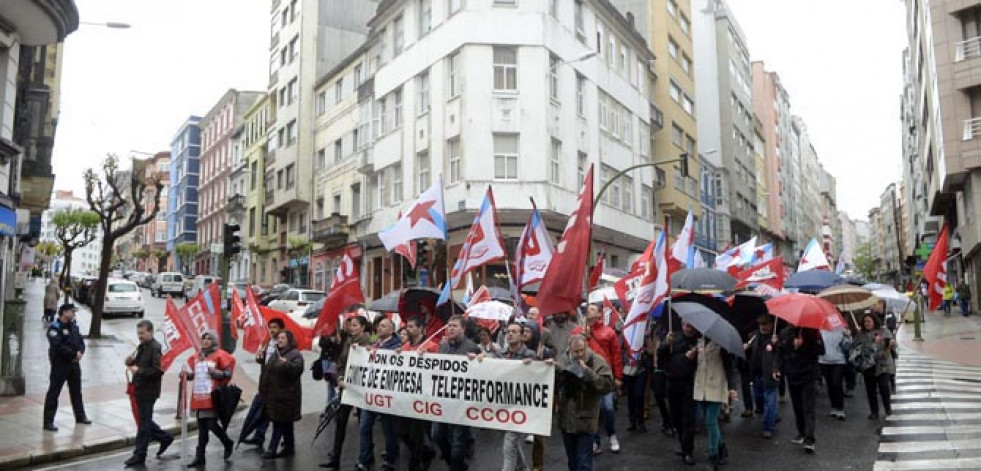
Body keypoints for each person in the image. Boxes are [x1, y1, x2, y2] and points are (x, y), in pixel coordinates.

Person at [320, 315, 373, 469]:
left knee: (365, 425)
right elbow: (341, 362)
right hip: (346, 389)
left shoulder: (368, 343)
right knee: (340, 422)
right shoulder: (349, 341)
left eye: (355, 325)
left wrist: (368, 351)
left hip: (361, 391)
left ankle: (367, 456)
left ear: (363, 328)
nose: (352, 328)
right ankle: (335, 458)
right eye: (351, 325)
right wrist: (339, 377)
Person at [556, 335, 615, 471]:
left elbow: (607, 385)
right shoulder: (563, 360)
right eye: (576, 352)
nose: (579, 355)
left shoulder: (596, 361)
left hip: (585, 421)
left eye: (582, 351)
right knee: (572, 462)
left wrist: (588, 372)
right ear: (569, 350)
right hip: (566, 421)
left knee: (584, 463)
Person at [433, 315, 483, 471]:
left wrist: (480, 359)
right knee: (437, 436)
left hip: (461, 404)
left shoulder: (472, 347)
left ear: (463, 328)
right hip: (443, 401)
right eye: (448, 326)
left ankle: (456, 465)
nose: (450, 329)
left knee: (457, 444)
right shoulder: (443, 347)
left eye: (454, 326)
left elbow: (484, 370)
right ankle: (458, 466)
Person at [572, 303, 623, 454]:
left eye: (593, 308)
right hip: (586, 377)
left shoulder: (609, 332)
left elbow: (615, 355)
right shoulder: (577, 331)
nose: (589, 310)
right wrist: (582, 336)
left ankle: (611, 434)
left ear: (600, 314)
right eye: (587, 309)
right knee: (592, 411)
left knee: (608, 408)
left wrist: (618, 377)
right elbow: (573, 351)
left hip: (603, 375)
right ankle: (595, 441)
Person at [123, 320, 173, 467]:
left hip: (148, 391)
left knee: (143, 425)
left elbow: (158, 371)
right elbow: (138, 364)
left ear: (150, 332)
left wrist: (139, 371)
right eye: (138, 333)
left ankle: (139, 455)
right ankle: (165, 438)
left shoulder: (155, 348)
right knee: (144, 420)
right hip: (139, 389)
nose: (140, 336)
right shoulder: (142, 346)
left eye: (143, 333)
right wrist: (130, 362)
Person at [183, 330, 236, 468]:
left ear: (214, 340)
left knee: (211, 425)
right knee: (202, 429)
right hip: (199, 396)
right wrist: (186, 375)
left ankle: (226, 442)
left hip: (212, 396)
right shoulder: (197, 357)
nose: (205, 341)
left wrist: (215, 372)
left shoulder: (220, 355)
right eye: (204, 338)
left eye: (209, 338)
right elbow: (193, 374)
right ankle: (200, 457)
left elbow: (227, 373)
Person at [357, 317, 402, 471]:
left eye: (383, 326)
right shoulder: (375, 342)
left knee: (388, 430)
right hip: (370, 393)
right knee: (364, 427)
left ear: (392, 330)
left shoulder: (397, 345)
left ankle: (390, 459)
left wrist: (377, 352)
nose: (379, 328)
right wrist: (361, 351)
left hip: (386, 395)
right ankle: (365, 458)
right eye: (378, 326)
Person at [775, 324, 824, 454]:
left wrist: (803, 346)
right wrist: (777, 368)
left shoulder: (813, 331)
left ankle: (810, 438)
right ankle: (801, 432)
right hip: (792, 374)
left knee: (809, 407)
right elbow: (780, 353)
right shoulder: (784, 332)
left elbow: (820, 350)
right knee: (797, 406)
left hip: (808, 375)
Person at [397, 316, 438, 471]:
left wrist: (428, 357)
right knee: (402, 432)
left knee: (417, 433)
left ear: (421, 328)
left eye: (412, 326)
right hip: (406, 396)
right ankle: (426, 452)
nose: (409, 329)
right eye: (408, 326)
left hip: (423, 397)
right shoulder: (406, 346)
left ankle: (415, 464)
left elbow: (440, 368)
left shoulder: (431, 346)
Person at [692, 334, 738, 471]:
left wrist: (732, 387)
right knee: (710, 422)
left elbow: (730, 367)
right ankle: (722, 447)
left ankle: (713, 456)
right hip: (701, 387)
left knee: (710, 421)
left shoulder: (721, 344)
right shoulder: (698, 342)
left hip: (716, 386)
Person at [43, 303, 90, 431]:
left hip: (74, 364)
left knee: (76, 391)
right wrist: (73, 354)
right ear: (64, 312)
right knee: (54, 392)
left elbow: (80, 341)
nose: (74, 314)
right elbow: (57, 346)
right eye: (72, 311)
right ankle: (48, 421)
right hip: (60, 364)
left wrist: (80, 352)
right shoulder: (54, 328)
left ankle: (80, 416)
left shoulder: (73, 326)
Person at [240, 318, 285, 449]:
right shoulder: (267, 342)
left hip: (276, 385)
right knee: (263, 411)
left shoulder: (282, 344)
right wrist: (259, 357)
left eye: (275, 327)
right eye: (270, 327)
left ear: (281, 329)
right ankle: (259, 436)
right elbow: (264, 361)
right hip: (265, 382)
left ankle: (286, 439)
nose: (272, 330)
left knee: (278, 414)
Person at [260, 330, 304, 459]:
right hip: (274, 395)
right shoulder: (275, 354)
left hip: (286, 397)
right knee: (286, 424)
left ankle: (271, 450)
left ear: (289, 340)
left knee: (279, 422)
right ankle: (289, 448)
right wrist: (260, 360)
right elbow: (268, 370)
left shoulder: (295, 354)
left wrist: (287, 364)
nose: (279, 340)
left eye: (283, 338)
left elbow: (297, 370)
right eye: (278, 338)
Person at [660, 321, 699, 465]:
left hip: (689, 383)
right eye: (687, 326)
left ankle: (688, 450)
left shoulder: (698, 339)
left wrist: (694, 357)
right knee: (675, 417)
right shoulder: (673, 337)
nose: (690, 329)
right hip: (672, 382)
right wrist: (665, 344)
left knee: (688, 418)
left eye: (692, 326)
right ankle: (683, 445)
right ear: (682, 324)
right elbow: (661, 357)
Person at [500, 321, 537, 471]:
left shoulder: (530, 355)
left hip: (520, 407)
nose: (510, 334)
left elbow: (540, 380)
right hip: (503, 405)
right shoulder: (501, 354)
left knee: (509, 444)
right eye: (508, 331)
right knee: (512, 442)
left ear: (522, 336)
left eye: (514, 331)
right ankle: (522, 467)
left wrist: (533, 366)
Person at [522, 320, 553, 471]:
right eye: (524, 331)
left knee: (539, 437)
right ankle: (519, 464)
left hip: (538, 398)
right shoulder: (518, 350)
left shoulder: (544, 351)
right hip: (522, 396)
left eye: (528, 331)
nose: (524, 334)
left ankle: (537, 466)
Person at [854, 313, 895, 420]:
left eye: (869, 321)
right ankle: (874, 411)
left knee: (883, 386)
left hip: (882, 364)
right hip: (868, 365)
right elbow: (855, 347)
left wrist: (891, 343)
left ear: (874, 321)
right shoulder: (861, 334)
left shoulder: (883, 331)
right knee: (870, 389)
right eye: (865, 322)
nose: (866, 324)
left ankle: (887, 407)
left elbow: (892, 344)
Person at [746, 315, 780, 438]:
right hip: (756, 374)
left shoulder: (776, 338)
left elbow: (779, 356)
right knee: (759, 399)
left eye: (766, 324)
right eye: (761, 324)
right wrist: (745, 348)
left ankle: (768, 428)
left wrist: (776, 345)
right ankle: (773, 415)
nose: (763, 327)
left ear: (772, 325)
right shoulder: (753, 335)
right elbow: (748, 354)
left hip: (770, 374)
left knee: (769, 401)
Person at [622, 329, 652, 433]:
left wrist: (644, 350)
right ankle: (633, 421)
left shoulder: (643, 333)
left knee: (639, 395)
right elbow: (620, 348)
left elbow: (651, 351)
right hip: (628, 368)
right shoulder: (625, 334)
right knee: (631, 397)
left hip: (641, 369)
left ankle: (641, 421)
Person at [819, 326, 851, 421]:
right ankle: (833, 407)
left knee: (837, 383)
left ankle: (840, 408)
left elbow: (847, 347)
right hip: (824, 360)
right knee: (830, 384)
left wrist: (848, 337)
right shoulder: (820, 329)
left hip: (839, 360)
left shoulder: (841, 329)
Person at [647, 328, 674, 437]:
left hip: (671, 369)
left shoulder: (673, 330)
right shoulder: (656, 330)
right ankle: (666, 420)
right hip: (658, 368)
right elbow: (652, 350)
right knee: (658, 395)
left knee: (672, 397)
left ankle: (671, 423)